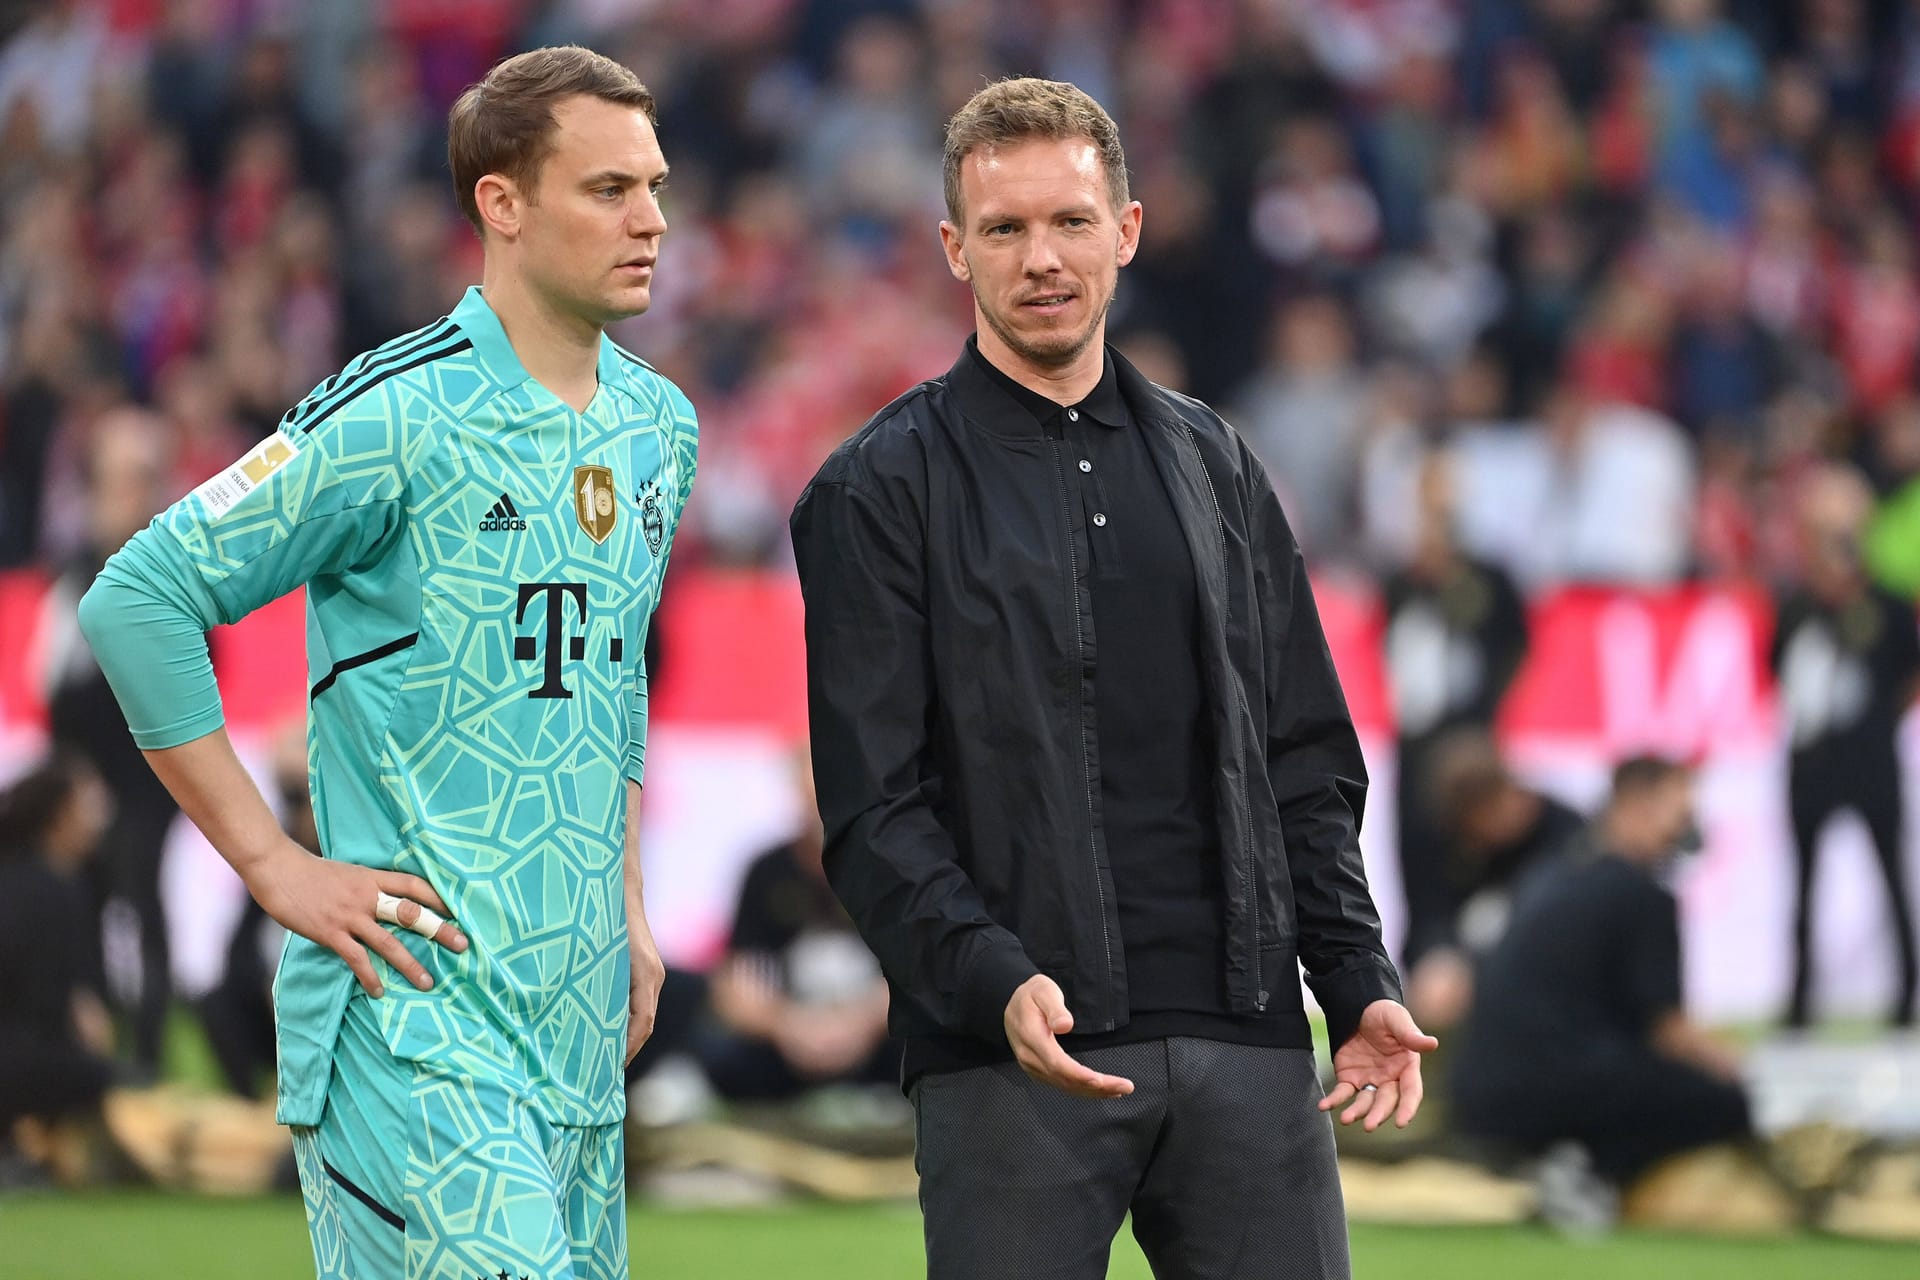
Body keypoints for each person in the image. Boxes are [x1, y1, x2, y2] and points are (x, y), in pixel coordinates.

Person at [790, 78, 1434, 1280]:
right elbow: (875, 809)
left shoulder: (1216, 462)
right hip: (1014, 1054)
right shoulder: (876, 488)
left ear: (1126, 231)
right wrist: (990, 979)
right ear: (954, 250)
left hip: (1246, 1046)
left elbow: (1301, 749)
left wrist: (1353, 977)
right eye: (1005, 229)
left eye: (1071, 222)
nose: (1042, 258)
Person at [76, 45, 697, 1280]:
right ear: (501, 204)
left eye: (656, 185)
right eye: (611, 188)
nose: (654, 219)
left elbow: (608, 680)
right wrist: (271, 862)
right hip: (411, 1021)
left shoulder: (657, 428)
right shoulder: (394, 410)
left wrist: (623, 904)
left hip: (571, 1027)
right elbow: (137, 596)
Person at [1450, 756, 1751, 1193]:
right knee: (1722, 1102)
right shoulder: (1641, 894)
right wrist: (1736, 1069)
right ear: (1635, 804)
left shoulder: (1552, 873)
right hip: (1552, 1090)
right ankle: (1593, 1172)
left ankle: (1563, 1162)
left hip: (1480, 1090)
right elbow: (1667, 1030)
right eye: (1680, 813)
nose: (1687, 828)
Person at [1771, 463, 1920, 1028]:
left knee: (1891, 876)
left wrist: (1876, 722)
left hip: (1871, 759)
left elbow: (1909, 678)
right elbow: (1777, 672)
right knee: (1803, 884)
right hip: (1812, 762)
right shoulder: (1797, 604)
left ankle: (1906, 995)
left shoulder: (1886, 604)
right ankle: (1800, 1001)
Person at [1381, 455, 1530, 989]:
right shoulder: (1401, 582)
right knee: (1414, 862)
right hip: (1417, 746)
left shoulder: (1488, 579)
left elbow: (1516, 647)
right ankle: (1415, 974)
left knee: (1471, 858)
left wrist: (1484, 714)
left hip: (1469, 751)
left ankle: (1473, 975)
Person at [702, 747, 897, 1101]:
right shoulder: (767, 871)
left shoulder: (885, 868)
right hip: (788, 1037)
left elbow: (913, 973)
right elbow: (736, 985)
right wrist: (789, 1026)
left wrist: (859, 1025)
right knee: (719, 1056)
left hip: (872, 1033)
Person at [1403, 728, 1583, 1031]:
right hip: (1461, 985)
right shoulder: (1443, 843)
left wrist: (1479, 968)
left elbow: (1560, 932)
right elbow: (1428, 914)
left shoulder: (1565, 836)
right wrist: (1437, 955)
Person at [0, 755, 117, 1181]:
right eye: (89, 803)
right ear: (61, 815)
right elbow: (40, 1001)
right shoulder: (53, 890)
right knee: (112, 1078)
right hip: (20, 1056)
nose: (101, 816)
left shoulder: (29, 878)